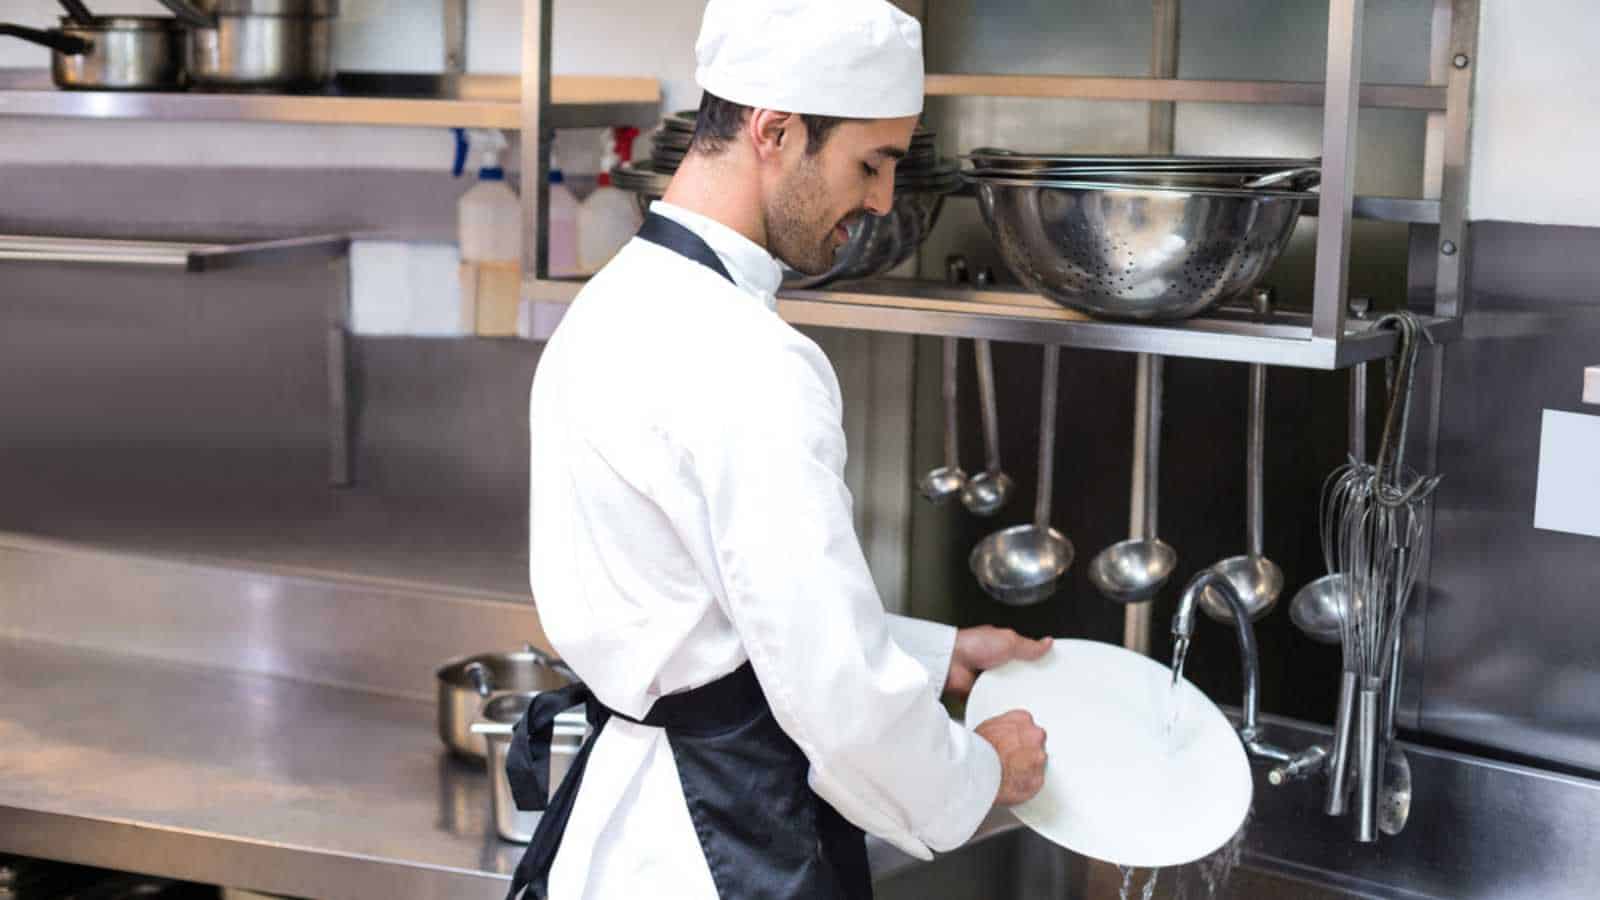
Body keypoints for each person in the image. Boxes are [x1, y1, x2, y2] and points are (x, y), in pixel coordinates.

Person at [510, 1, 1049, 897]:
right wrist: (980, 772)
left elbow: (702, 613)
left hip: (634, 829)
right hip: (723, 845)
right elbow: (834, 692)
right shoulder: (749, 361)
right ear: (775, 130)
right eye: (869, 163)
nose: (880, 200)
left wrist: (928, 653)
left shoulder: (615, 303)